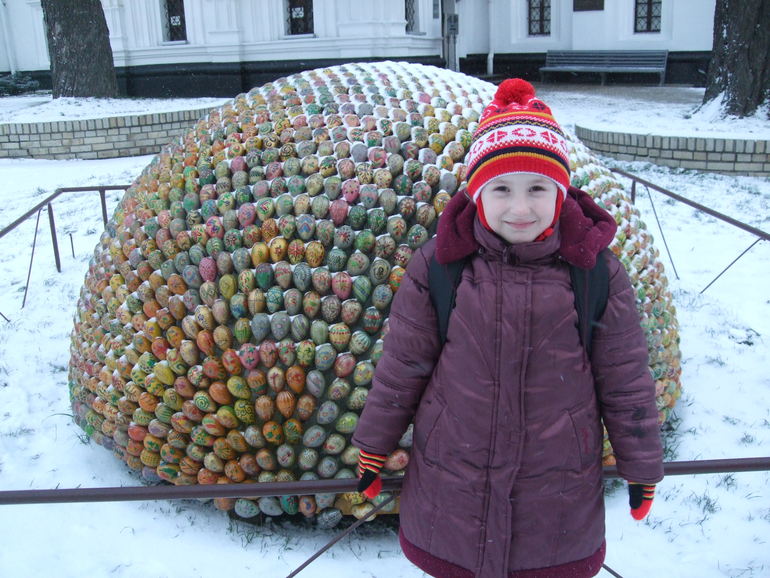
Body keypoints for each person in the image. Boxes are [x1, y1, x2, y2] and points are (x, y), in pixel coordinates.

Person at [350, 78, 664, 578]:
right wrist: (374, 443)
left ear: (561, 193)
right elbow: (403, 365)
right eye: (501, 189)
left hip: (555, 497)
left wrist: (642, 464)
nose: (520, 208)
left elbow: (625, 378)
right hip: (453, 490)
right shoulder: (440, 267)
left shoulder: (595, 273)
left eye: (537, 188)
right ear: (477, 193)